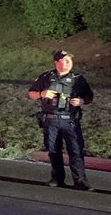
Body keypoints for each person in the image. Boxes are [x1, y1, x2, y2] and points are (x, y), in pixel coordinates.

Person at [27, 49, 93, 189]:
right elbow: (31, 93)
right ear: (57, 62)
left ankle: (80, 181)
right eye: (66, 60)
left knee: (76, 150)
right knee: (53, 150)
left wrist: (81, 101)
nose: (69, 64)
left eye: (70, 61)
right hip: (51, 119)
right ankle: (57, 178)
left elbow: (89, 97)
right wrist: (41, 93)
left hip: (70, 120)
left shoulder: (78, 79)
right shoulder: (46, 77)